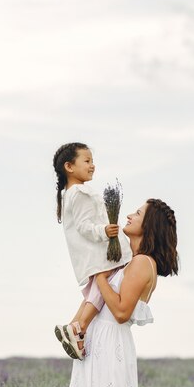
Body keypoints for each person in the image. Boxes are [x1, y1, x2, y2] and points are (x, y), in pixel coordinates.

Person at [63, 198, 179, 387]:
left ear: (149, 225)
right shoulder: (131, 260)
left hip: (109, 343)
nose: (129, 214)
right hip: (98, 342)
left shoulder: (142, 263)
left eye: (137, 213)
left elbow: (120, 311)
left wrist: (100, 274)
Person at [53, 142, 132, 360]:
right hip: (98, 253)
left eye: (92, 161)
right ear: (69, 166)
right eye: (86, 161)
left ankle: (71, 326)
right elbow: (83, 226)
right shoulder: (79, 192)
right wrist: (105, 231)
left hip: (88, 255)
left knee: (93, 292)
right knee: (100, 288)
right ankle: (80, 327)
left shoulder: (68, 193)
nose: (92, 166)